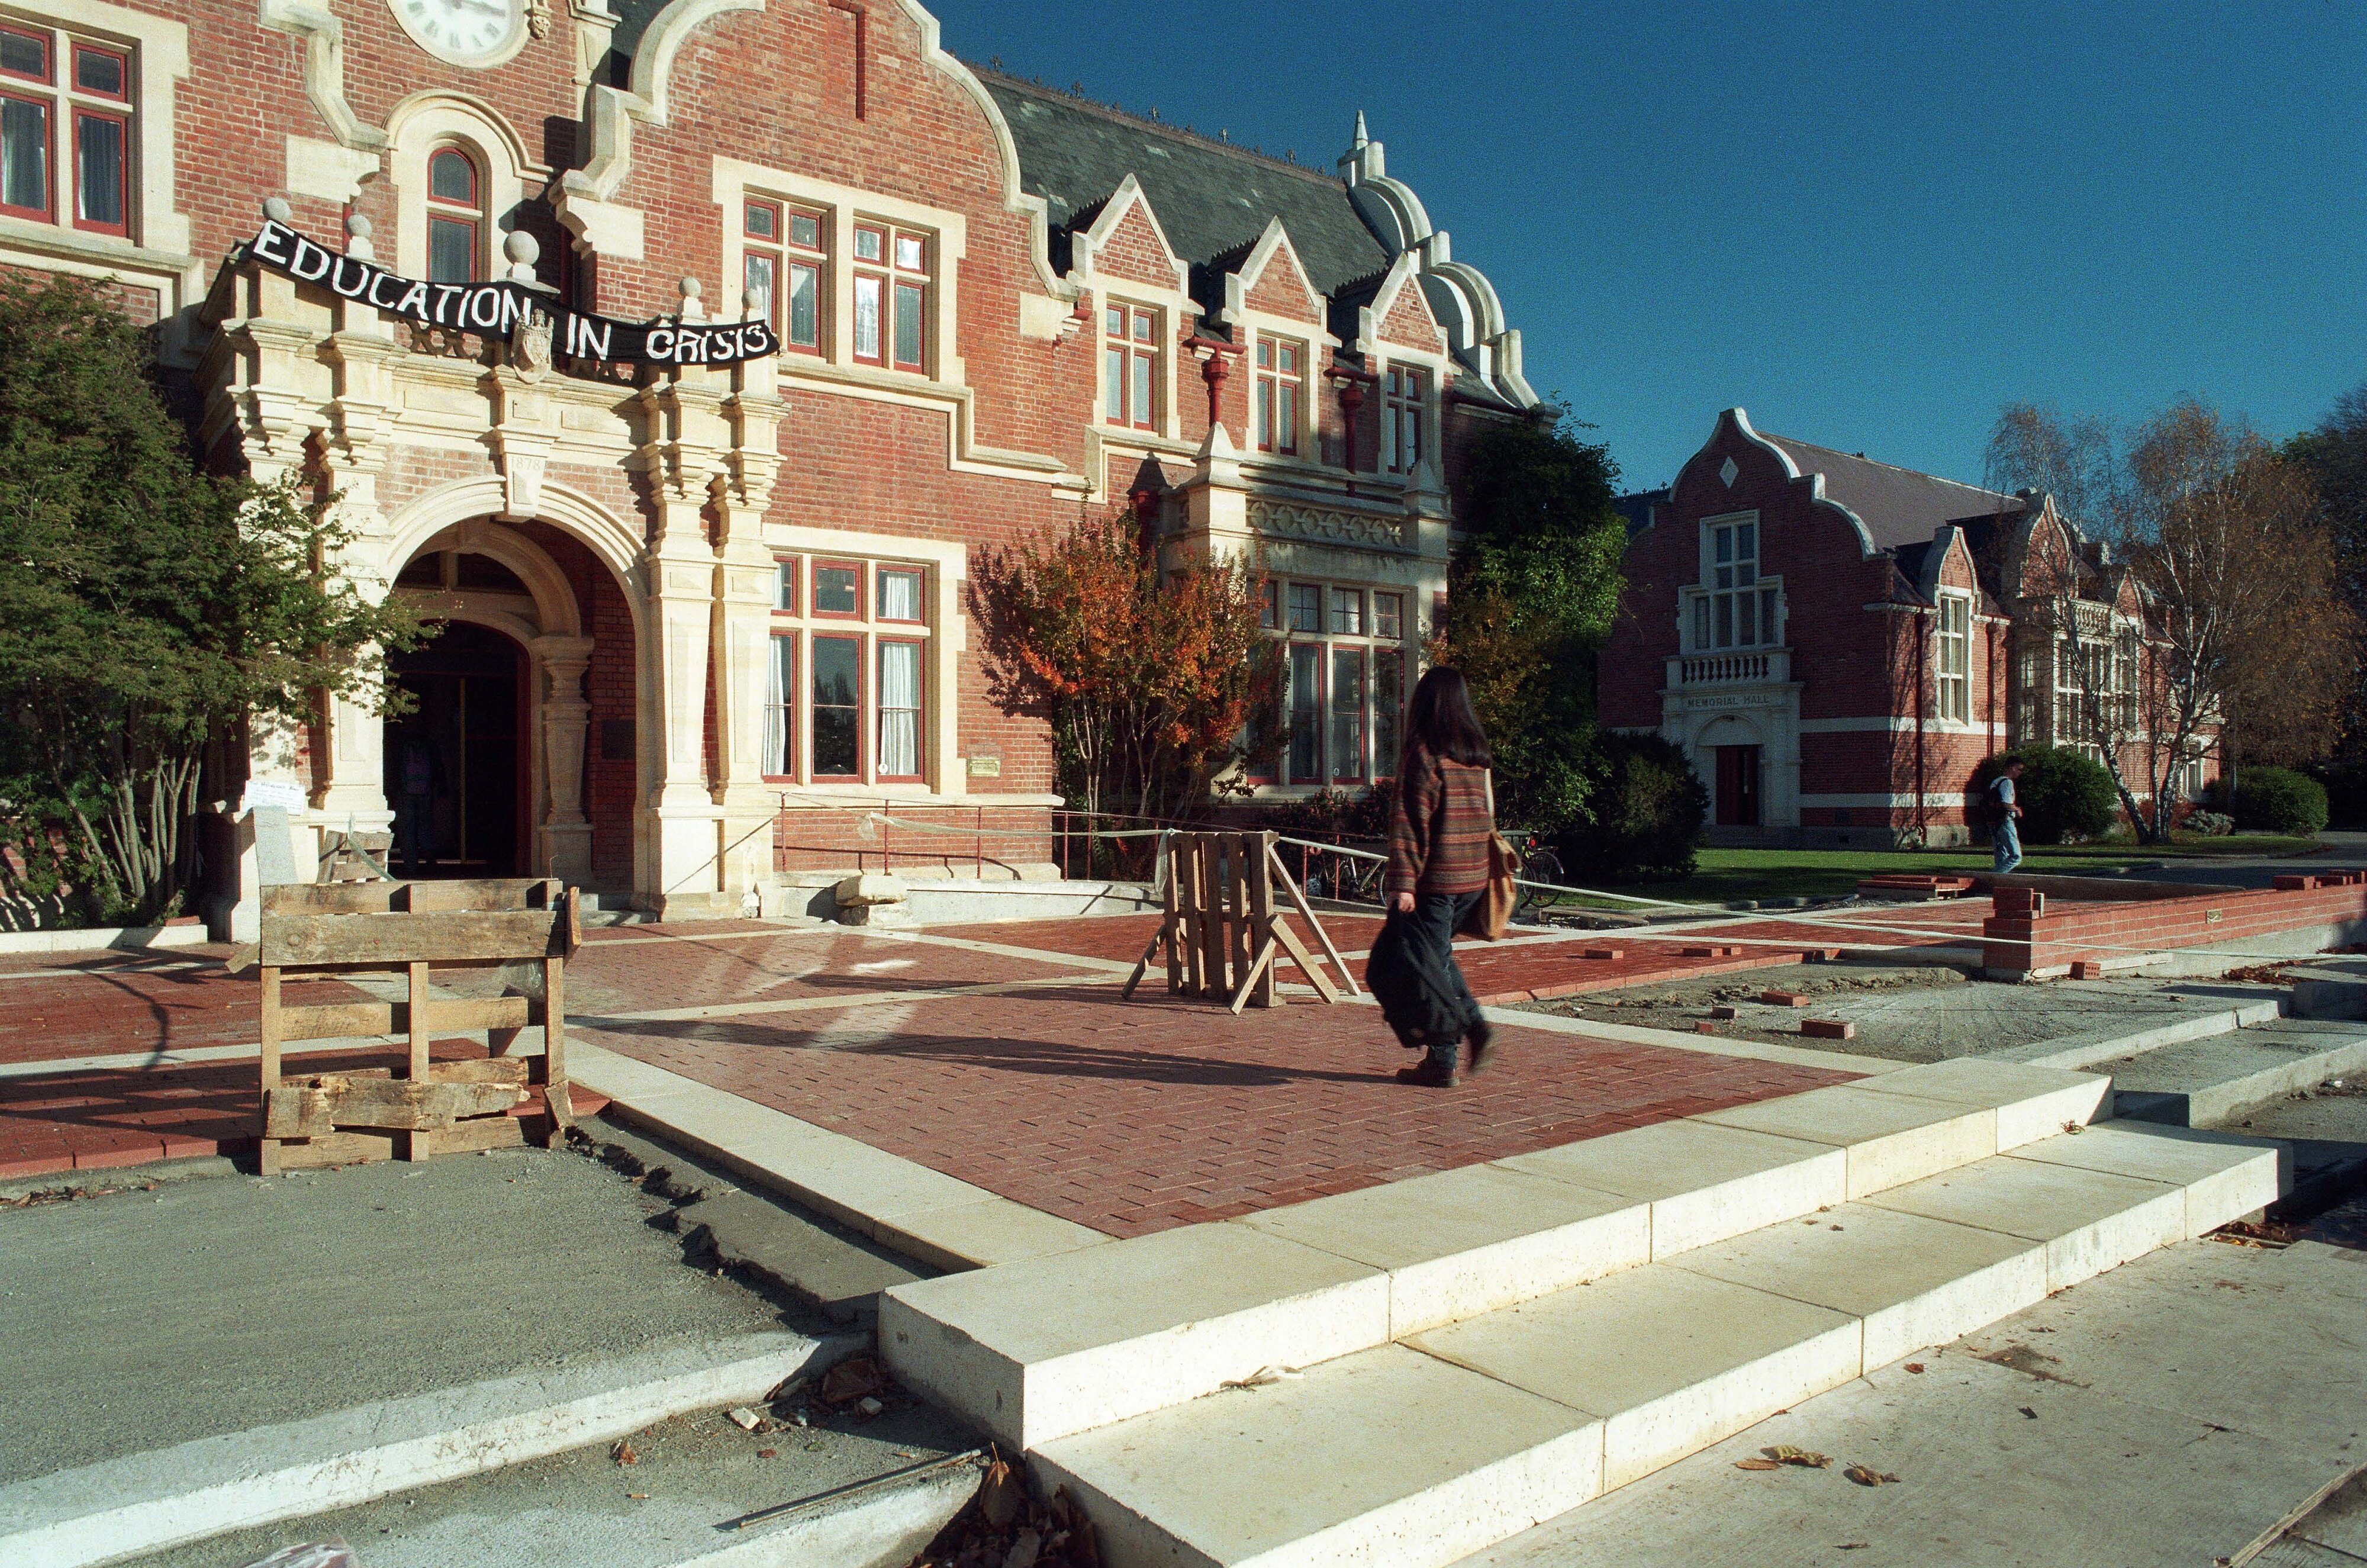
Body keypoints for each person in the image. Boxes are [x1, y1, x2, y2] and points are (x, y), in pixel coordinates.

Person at [1371, 667, 1499, 1087]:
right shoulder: (1474, 754)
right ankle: (1459, 1039)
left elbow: (1409, 821)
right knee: (1436, 957)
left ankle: (1450, 1050)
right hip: (1472, 876)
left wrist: (1403, 883)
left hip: (1437, 880)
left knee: (1424, 964)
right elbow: (1489, 815)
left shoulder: (1423, 753)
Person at [1990, 758, 2026, 875]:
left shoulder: (1996, 782)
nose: (2020, 772)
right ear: (2012, 767)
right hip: (2005, 821)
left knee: (2002, 857)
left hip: (1994, 821)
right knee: (2016, 857)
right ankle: (1992, 877)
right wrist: (2017, 810)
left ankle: (1997, 885)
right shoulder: (2007, 783)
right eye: (2019, 769)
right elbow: (2006, 804)